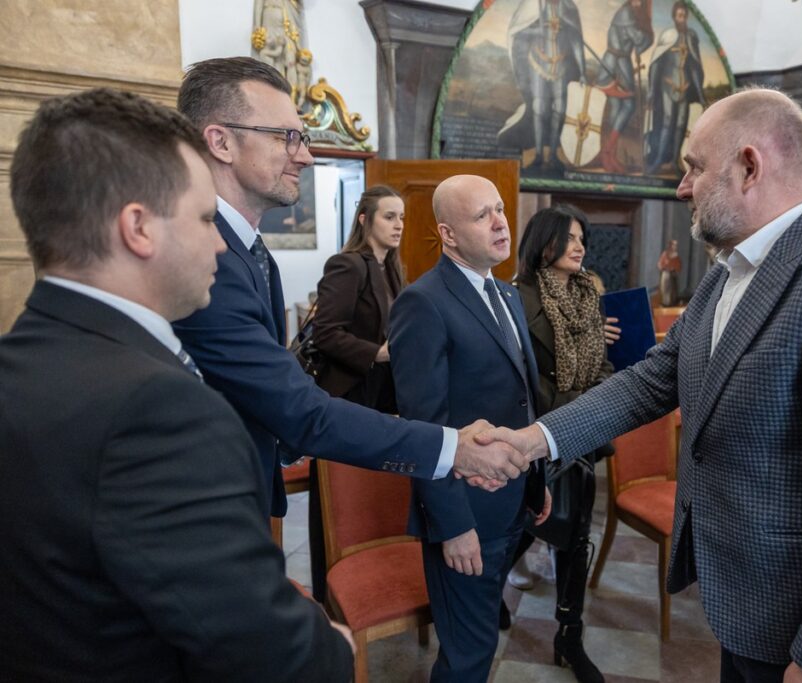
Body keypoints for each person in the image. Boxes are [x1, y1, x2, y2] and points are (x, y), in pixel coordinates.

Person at [479, 88, 802, 683]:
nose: (680, 188)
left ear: (749, 167)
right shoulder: (729, 272)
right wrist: (533, 442)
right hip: (748, 604)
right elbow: (652, 379)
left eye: (693, 168)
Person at [0, 87, 353, 681]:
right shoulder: (163, 410)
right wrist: (333, 644)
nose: (218, 241)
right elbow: (266, 651)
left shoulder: (18, 361)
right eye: (205, 218)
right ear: (138, 228)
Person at [171, 57, 528, 521]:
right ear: (220, 141)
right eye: (287, 137)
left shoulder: (247, 249)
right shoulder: (206, 255)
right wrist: (451, 447)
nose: (305, 155)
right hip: (209, 510)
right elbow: (300, 405)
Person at [389, 174, 550, 682]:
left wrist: (535, 481)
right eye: (482, 215)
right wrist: (452, 525)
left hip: (510, 497)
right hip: (467, 513)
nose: (501, 222)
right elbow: (424, 429)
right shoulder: (424, 302)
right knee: (467, 654)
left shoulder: (504, 292)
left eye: (499, 209)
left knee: (479, 637)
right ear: (449, 234)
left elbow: (523, 398)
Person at [511, 205, 614, 682]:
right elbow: (525, 384)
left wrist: (600, 402)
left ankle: (569, 635)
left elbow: (604, 367)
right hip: (537, 436)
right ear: (544, 243)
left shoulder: (587, 297)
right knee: (526, 523)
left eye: (582, 238)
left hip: (581, 438)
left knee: (574, 536)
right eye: (570, 238)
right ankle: (490, 590)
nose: (580, 247)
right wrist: (587, 402)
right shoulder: (517, 299)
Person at [302, 185, 406, 600]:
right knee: (335, 503)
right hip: (347, 393)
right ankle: (329, 597)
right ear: (364, 220)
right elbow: (325, 334)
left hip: (381, 394)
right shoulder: (348, 264)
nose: (398, 225)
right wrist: (378, 353)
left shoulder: (392, 268)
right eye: (389, 216)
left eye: (401, 217)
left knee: (371, 497)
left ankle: (374, 580)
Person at [499, 0, 585, 174]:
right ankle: (539, 155)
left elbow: (576, 40)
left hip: (561, 64)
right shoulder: (532, 4)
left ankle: (552, 154)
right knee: (540, 108)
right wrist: (538, 30)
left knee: (560, 109)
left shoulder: (568, 7)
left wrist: (583, 70)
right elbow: (518, 31)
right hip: (537, 62)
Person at [645, 0, 705, 174]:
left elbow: (695, 67)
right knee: (666, 122)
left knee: (680, 125)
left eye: (684, 16)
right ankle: (658, 159)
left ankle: (673, 161)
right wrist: (651, 90)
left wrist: (700, 94)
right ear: (674, 17)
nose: (682, 19)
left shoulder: (691, 37)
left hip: (684, 88)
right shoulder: (668, 35)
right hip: (667, 86)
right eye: (679, 16)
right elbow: (656, 64)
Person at [594, 0, 654, 174]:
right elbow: (638, 39)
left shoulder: (631, 12)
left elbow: (638, 44)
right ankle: (607, 152)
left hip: (622, 61)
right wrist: (648, 30)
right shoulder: (626, 12)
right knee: (627, 105)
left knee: (618, 107)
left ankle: (610, 155)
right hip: (615, 62)